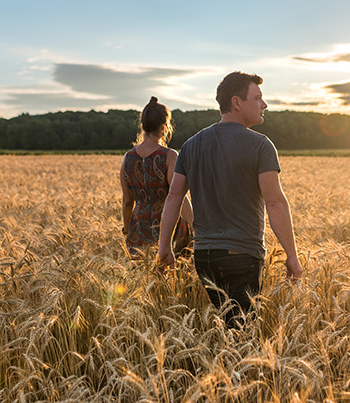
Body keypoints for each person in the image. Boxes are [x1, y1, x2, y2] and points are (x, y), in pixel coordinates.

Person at [157, 71, 303, 328]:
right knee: (242, 336)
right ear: (237, 102)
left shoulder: (191, 145)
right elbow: (275, 202)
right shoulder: (261, 145)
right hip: (242, 256)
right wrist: (291, 256)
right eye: (258, 98)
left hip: (204, 258)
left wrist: (164, 248)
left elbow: (174, 197)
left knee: (228, 329)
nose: (264, 105)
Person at [119, 96, 193, 259]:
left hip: (138, 229)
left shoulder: (128, 158)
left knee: (141, 278)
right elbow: (178, 195)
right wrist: (194, 225)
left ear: (143, 125)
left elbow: (127, 201)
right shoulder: (169, 156)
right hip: (168, 228)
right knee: (173, 278)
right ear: (164, 126)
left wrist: (126, 228)